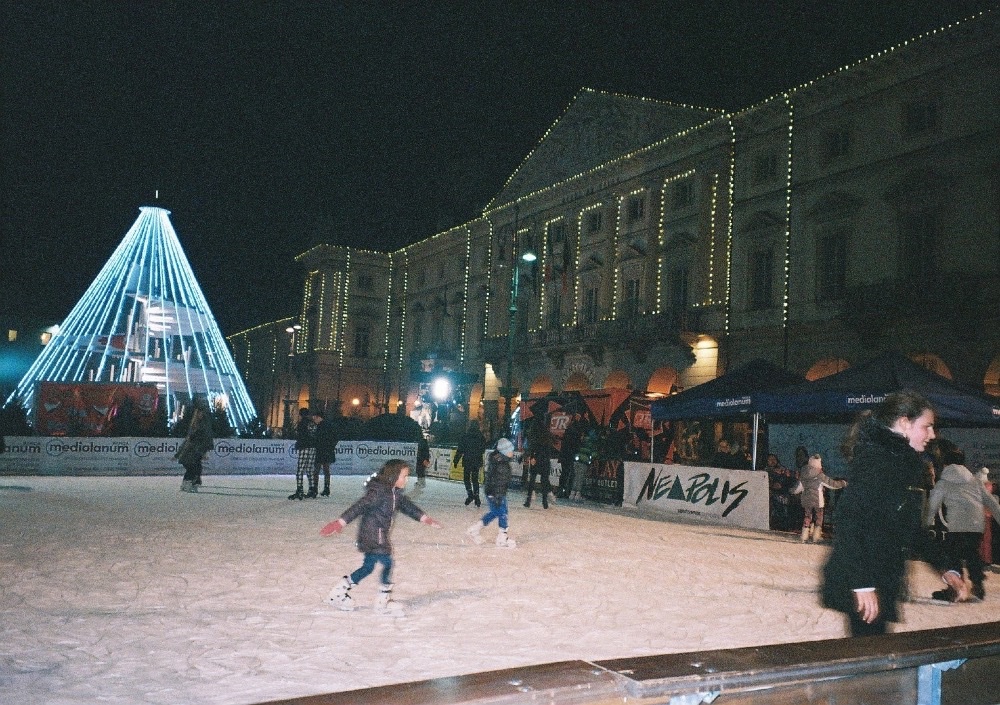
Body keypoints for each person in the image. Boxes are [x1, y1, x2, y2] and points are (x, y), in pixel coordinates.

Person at [821, 391, 968, 637]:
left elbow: (910, 529)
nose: (932, 435)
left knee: (874, 656)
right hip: (863, 576)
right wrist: (862, 584)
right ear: (904, 423)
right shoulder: (878, 461)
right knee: (871, 658)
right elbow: (849, 521)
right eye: (927, 427)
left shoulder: (904, 464)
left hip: (881, 577)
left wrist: (947, 568)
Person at [320, 459, 442, 613]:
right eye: (404, 476)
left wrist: (425, 518)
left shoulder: (394, 493)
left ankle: (337, 593)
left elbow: (407, 506)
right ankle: (382, 602)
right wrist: (340, 522)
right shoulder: (378, 492)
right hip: (373, 535)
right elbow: (360, 506)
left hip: (375, 534)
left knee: (368, 567)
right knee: (387, 562)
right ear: (393, 476)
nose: (406, 479)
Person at [924, 440, 1000, 601]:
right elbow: (992, 503)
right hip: (976, 525)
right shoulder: (976, 481)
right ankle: (978, 586)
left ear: (944, 463)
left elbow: (933, 504)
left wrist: (926, 522)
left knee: (953, 555)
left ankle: (955, 588)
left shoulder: (943, 483)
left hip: (956, 525)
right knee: (972, 554)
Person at [466, 438, 516, 547]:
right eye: (511, 450)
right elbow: (498, 482)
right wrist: (497, 496)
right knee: (503, 513)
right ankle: (502, 538)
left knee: (495, 512)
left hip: (493, 492)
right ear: (504, 451)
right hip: (496, 493)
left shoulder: (500, 460)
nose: (513, 452)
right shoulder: (502, 464)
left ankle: (474, 530)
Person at [795, 454, 846, 543]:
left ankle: (804, 536)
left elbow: (798, 487)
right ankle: (816, 536)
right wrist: (843, 483)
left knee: (807, 516)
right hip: (817, 500)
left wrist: (791, 491)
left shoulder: (803, 474)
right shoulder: (820, 475)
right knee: (819, 517)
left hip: (806, 499)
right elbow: (831, 484)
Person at [176, 397, 214, 493]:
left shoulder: (203, 425)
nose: (200, 415)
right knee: (192, 468)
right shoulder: (195, 426)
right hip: (191, 451)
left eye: (201, 413)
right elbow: (189, 439)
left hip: (196, 451)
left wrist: (206, 450)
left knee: (195, 468)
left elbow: (207, 438)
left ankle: (191, 483)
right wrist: (178, 453)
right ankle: (188, 483)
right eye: (199, 413)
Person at [453, 420, 487, 507]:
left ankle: (470, 494)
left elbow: (460, 450)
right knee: (475, 479)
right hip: (477, 460)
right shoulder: (481, 437)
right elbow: (483, 450)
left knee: (466, 479)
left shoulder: (465, 436)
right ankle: (476, 496)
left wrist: (456, 461)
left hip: (467, 460)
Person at [523, 416, 553, 509]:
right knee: (544, 481)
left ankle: (528, 500)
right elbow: (547, 450)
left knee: (532, 480)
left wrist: (533, 457)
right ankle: (544, 502)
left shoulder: (535, 436)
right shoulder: (547, 435)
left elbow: (533, 448)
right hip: (545, 461)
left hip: (536, 460)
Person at [289, 408, 317, 500]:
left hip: (304, 447)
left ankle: (299, 490)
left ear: (300, 415)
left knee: (300, 470)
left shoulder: (302, 424)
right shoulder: (312, 423)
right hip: (313, 447)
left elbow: (301, 436)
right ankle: (312, 489)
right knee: (309, 469)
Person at [766, 453, 798, 531]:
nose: (772, 461)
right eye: (770, 459)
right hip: (771, 493)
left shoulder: (783, 470)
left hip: (783, 493)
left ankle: (785, 525)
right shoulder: (765, 471)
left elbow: (792, 479)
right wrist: (772, 485)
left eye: (774, 459)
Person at [312, 409, 339, 498]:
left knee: (317, 471)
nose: (314, 420)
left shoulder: (321, 426)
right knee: (326, 470)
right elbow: (335, 437)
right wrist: (331, 447)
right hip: (327, 451)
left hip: (321, 451)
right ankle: (326, 488)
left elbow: (318, 438)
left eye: (315, 418)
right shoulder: (329, 425)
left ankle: (315, 489)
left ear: (319, 417)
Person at [557, 412, 583, 498]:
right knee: (569, 473)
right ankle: (566, 491)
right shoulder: (576, 429)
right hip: (569, 455)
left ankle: (562, 490)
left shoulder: (569, 429)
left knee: (565, 473)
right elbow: (575, 443)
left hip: (565, 454)